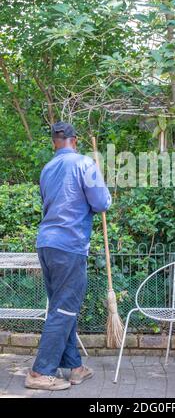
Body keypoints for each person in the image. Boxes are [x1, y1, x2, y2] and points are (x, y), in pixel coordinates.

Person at [25, 122, 111, 391]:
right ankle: (40, 372)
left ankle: (74, 367)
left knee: (64, 307)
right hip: (69, 245)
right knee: (64, 309)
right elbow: (101, 203)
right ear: (75, 140)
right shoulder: (85, 164)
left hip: (46, 244)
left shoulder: (47, 168)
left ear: (55, 142)